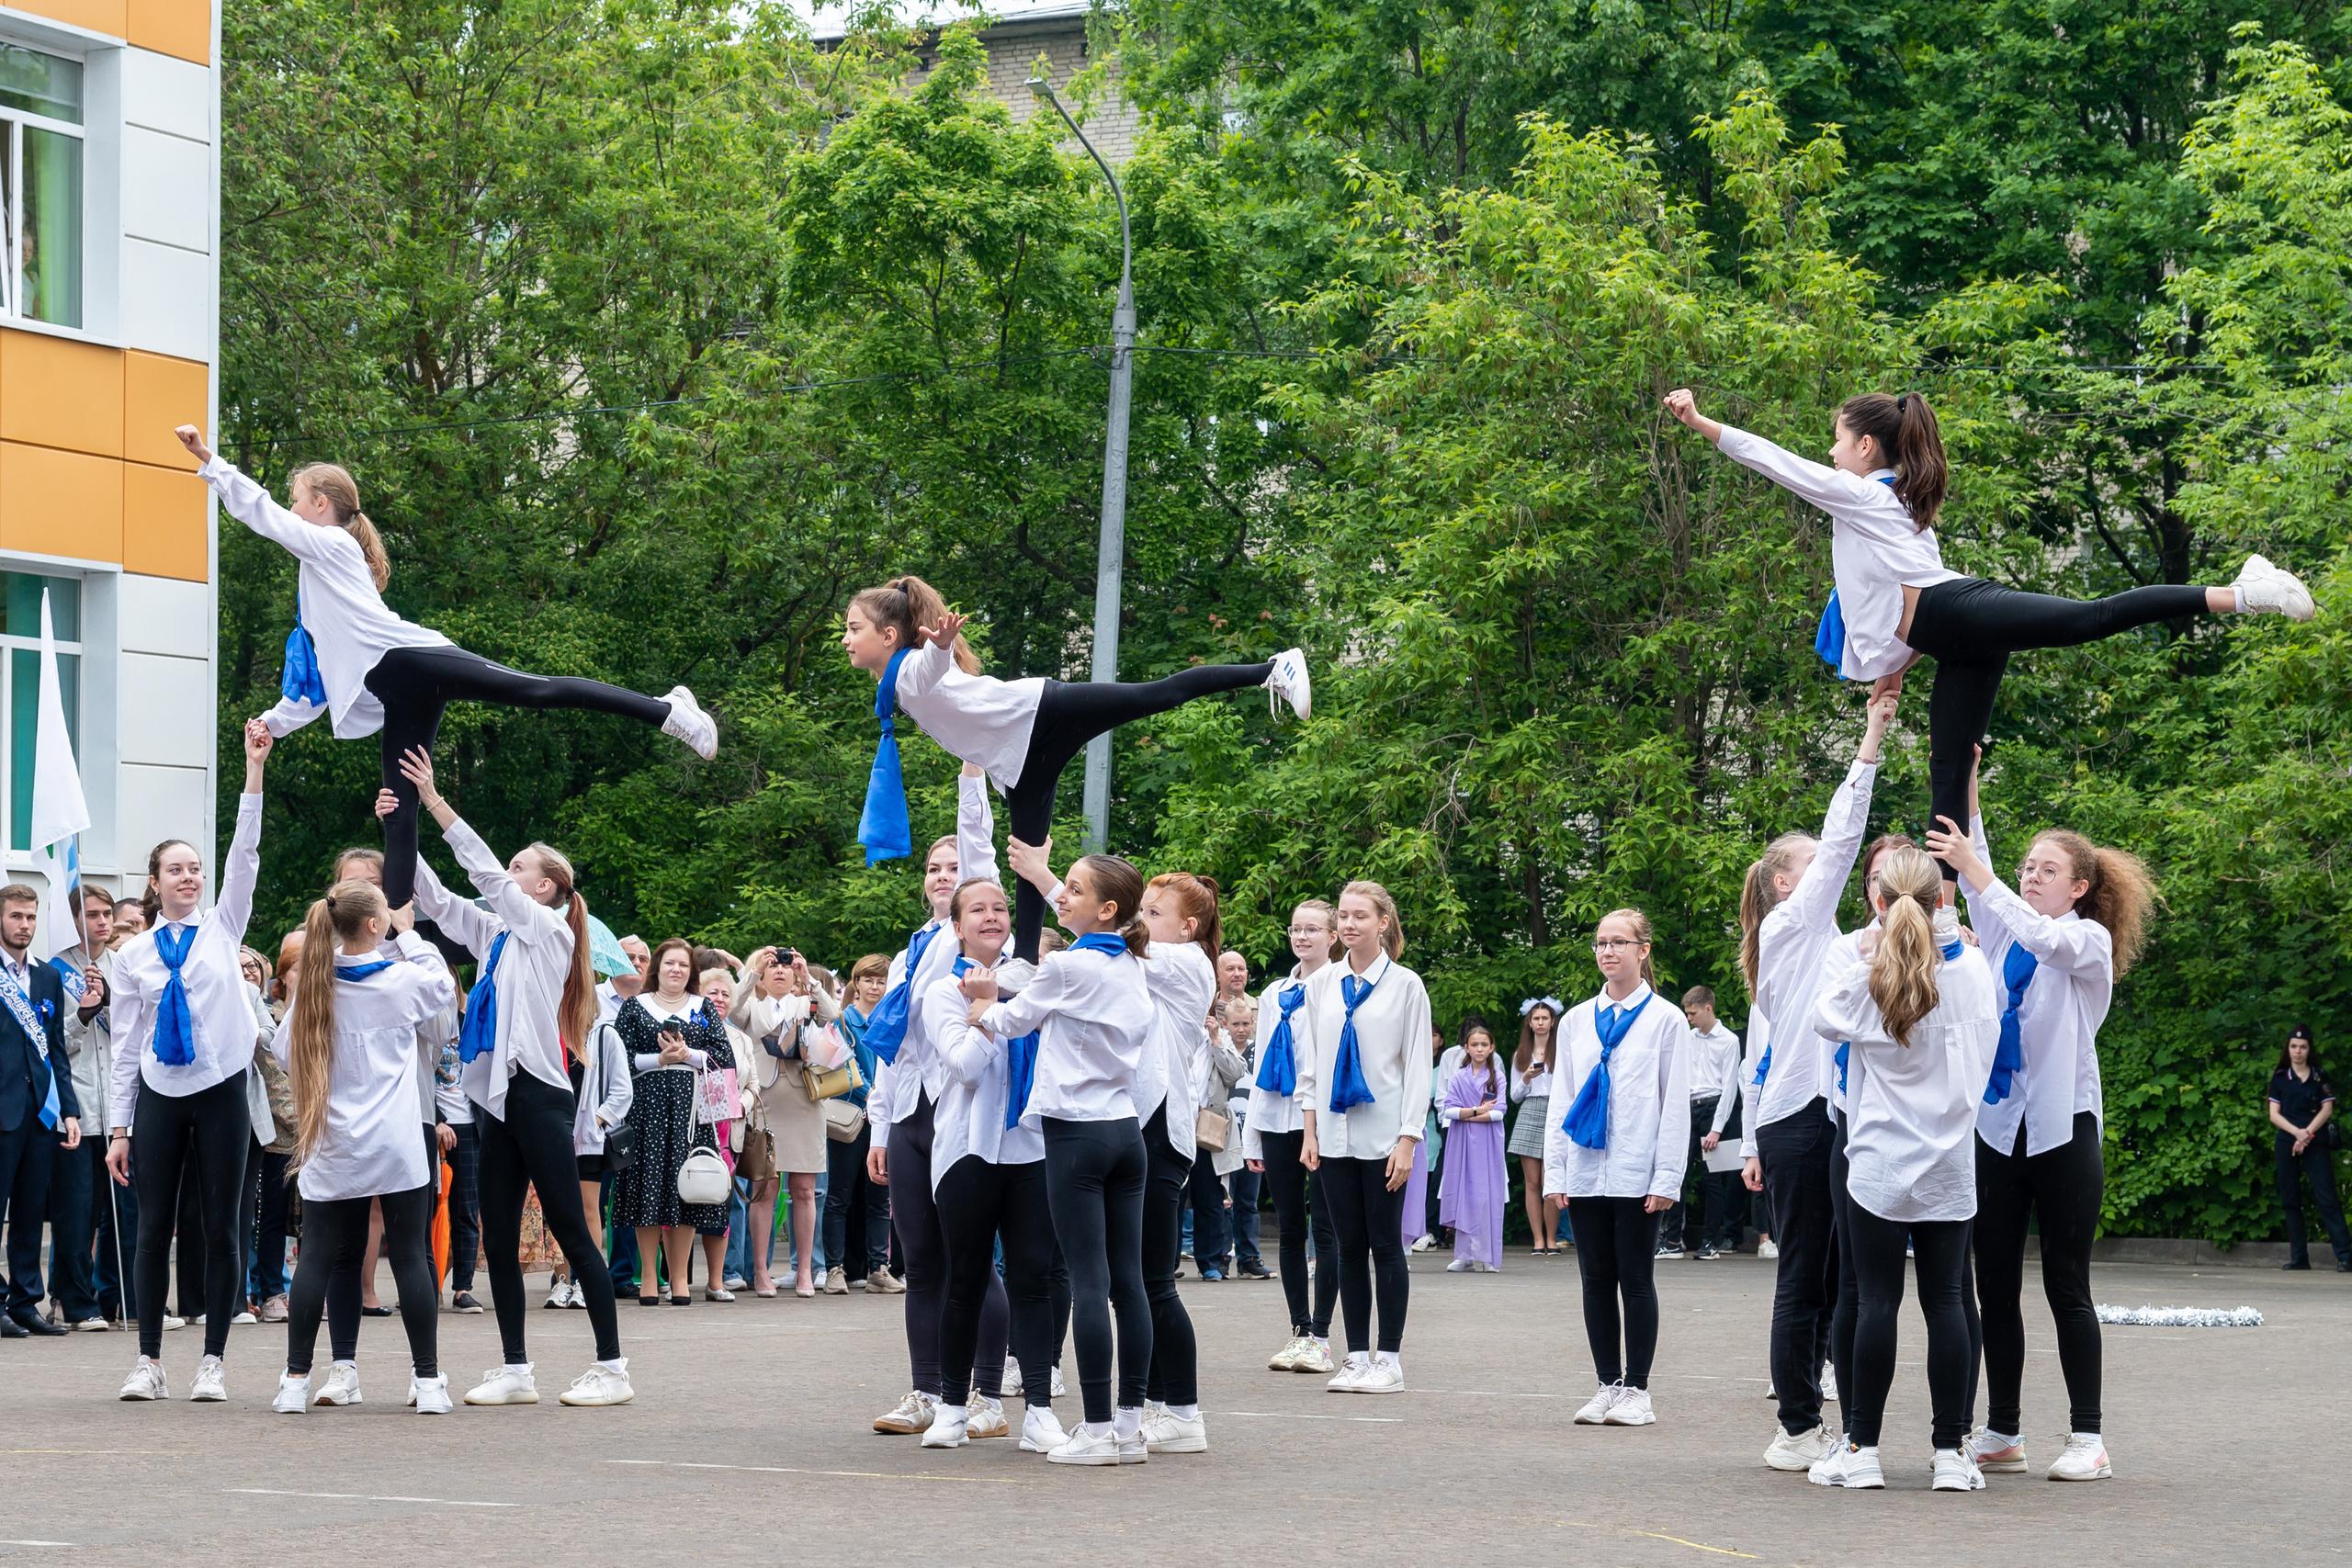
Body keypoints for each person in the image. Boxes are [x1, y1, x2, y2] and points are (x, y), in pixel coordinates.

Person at [1661, 388, 2312, 891]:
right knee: (1949, 768)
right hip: (1952, 636)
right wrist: (1895, 672)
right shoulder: (1899, 511)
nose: (1830, 453)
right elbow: (1900, 603)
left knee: (2087, 617)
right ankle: (1941, 912)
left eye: (1836, 441)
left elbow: (1774, 462)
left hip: (1959, 613)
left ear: (1864, 448)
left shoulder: (1860, 495)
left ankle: (2245, 592)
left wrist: (1699, 422)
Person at [175, 425, 716, 911]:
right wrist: (276, 722)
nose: (291, 512)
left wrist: (210, 461)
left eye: (298, 502)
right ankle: (387, 925)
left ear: (319, 504)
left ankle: (670, 712)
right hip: (397, 690)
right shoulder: (317, 582)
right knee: (399, 807)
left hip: (413, 661)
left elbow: (265, 517)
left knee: (537, 692)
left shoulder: (334, 544)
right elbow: (320, 681)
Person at [841, 575, 1309, 960]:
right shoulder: (896, 688)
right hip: (1021, 762)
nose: (845, 639)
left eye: (853, 628)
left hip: (1043, 714)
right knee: (1026, 859)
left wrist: (941, 646)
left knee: (1158, 694)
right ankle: (1024, 960)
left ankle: (1273, 669)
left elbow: (931, 667)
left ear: (888, 636)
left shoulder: (909, 671)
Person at [387, 748, 632, 1407]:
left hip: (539, 1095)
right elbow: (433, 898)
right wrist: (400, 823)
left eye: (522, 866)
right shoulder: (499, 933)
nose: (509, 872)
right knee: (496, 1233)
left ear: (546, 887)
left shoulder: (549, 930)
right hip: (494, 1096)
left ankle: (613, 1366)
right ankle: (517, 1368)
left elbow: (486, 876)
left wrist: (435, 801)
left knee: (572, 1231)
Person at [1929, 771, 2154, 1483]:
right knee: (1993, 1284)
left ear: (2079, 886)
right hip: (2000, 1130)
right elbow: (1982, 878)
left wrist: (1979, 871)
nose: (2029, 876)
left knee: (2066, 1284)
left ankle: (2088, 1435)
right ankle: (2003, 1428)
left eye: (2047, 868)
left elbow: (2021, 917)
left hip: (2064, 1132)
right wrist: (1966, 782)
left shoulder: (2083, 942)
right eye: (2026, 866)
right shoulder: (2005, 933)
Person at [1804, 845, 1998, 1491]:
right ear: (1945, 900)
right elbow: (1988, 1052)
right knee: (1947, 1300)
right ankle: (1950, 1451)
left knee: (1874, 1302)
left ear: (1879, 903)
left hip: (1879, 1159)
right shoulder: (1971, 970)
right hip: (1949, 1157)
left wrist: (1870, 950)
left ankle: (1861, 1447)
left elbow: (1821, 1017)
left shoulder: (1870, 974)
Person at [1740, 691, 1894, 1472]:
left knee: (1838, 1271)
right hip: (1799, 1117)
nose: (1827, 869)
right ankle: (1795, 1423)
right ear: (1781, 884)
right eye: (1811, 866)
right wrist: (1869, 739)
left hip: (1825, 1112)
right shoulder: (1790, 923)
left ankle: (1821, 1415)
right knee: (1804, 1270)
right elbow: (1842, 842)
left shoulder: (1826, 936)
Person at [964, 853, 1158, 1464]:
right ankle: (1127, 1425)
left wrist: (980, 1004)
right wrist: (1042, 872)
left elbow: (1013, 1018)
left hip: (1077, 1136)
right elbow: (1073, 928)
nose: (1061, 895)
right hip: (1125, 1132)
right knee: (1128, 1283)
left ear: (1105, 908)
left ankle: (1096, 1429)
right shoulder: (1131, 960)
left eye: (1074, 889)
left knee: (1092, 1282)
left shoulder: (1071, 965)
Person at [107, 721, 272, 1401]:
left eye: (195, 868)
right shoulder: (133, 956)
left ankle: (214, 1358)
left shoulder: (222, 926)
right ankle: (149, 1357)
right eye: (175, 869)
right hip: (160, 1091)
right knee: (153, 1227)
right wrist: (119, 1127)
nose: (189, 876)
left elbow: (246, 855)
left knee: (221, 1223)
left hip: (222, 1086)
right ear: (153, 883)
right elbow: (123, 1046)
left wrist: (253, 771)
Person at [269, 877, 458, 1415]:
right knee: (408, 1259)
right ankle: (428, 1382)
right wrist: (411, 931)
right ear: (374, 925)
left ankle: (295, 1382)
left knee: (322, 1259)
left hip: (333, 1141)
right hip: (395, 1143)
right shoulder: (399, 980)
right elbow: (443, 986)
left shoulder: (314, 988)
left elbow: (285, 1053)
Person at [866, 765, 1012, 1438]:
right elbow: (889, 1048)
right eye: (933, 865)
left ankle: (986, 1393)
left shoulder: (986, 948)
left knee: (971, 1258)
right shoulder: (909, 953)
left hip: (963, 1109)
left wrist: (972, 775)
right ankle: (926, 1387)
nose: (943, 872)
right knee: (920, 1258)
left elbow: (979, 846)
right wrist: (878, 1125)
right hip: (909, 1114)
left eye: (954, 864)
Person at [1546, 908, 1688, 1427]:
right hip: (1586, 1167)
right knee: (1595, 1279)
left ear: (1642, 951)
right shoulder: (1578, 1020)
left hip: (1636, 1169)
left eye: (1619, 943)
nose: (1608, 952)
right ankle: (1607, 1383)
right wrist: (1558, 1174)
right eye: (1601, 943)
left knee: (1636, 1277)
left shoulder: (1667, 1019)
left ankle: (1638, 1390)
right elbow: (1562, 1099)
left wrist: (1666, 1176)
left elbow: (1673, 1104)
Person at [916, 878, 1041, 1451]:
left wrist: (993, 1006)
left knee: (1034, 1283)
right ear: (957, 923)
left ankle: (1038, 1409)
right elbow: (965, 1067)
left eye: (1000, 907)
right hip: (966, 1149)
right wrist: (989, 1010)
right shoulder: (942, 991)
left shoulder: (1037, 979)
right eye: (978, 910)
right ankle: (949, 1407)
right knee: (964, 1280)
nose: (992, 917)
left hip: (1032, 1147)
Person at [1296, 881, 1432, 1395]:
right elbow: (1311, 1065)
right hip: (1331, 1134)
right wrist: (1309, 1131)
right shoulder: (1321, 986)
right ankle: (1355, 1356)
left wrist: (1407, 1139)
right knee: (1346, 1246)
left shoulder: (1405, 985)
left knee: (1384, 1244)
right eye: (1345, 917)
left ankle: (1389, 1358)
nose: (1350, 925)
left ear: (1383, 923)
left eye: (1361, 916)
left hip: (1383, 1136)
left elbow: (1417, 1068)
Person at [1245, 900, 1342, 1374]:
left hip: (1320, 1121)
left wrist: (1318, 1124)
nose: (1302, 937)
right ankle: (1299, 1329)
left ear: (1332, 936)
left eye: (1312, 929)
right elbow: (1261, 1064)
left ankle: (1322, 1335)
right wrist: (1251, 1137)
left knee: (1325, 1227)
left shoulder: (1341, 988)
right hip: (1277, 1119)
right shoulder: (1275, 993)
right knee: (1288, 1228)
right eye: (1296, 929)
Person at [610, 939, 732, 1304]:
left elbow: (723, 1056)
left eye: (683, 964)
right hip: (646, 1109)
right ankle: (648, 1274)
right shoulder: (635, 1007)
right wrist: (659, 1060)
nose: (676, 970)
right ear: (657, 969)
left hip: (692, 1112)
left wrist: (688, 1055)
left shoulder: (703, 1007)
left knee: (688, 1189)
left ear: (691, 972)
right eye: (669, 964)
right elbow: (620, 1057)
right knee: (646, 1188)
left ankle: (679, 1276)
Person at [731, 948, 839, 1298]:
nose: (779, 971)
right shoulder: (753, 1005)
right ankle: (761, 1271)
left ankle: (804, 1269)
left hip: (804, 1100)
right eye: (772, 966)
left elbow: (833, 1014)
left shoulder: (802, 1002)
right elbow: (731, 1009)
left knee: (805, 1190)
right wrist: (750, 973)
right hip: (764, 1102)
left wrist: (808, 977)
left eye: (785, 967)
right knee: (765, 1190)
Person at [0, 881, 82, 1337]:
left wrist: (69, 1110)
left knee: (32, 1211)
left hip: (39, 1112)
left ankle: (25, 1301)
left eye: (30, 917)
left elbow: (55, 1050)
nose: (24, 925)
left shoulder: (47, 976)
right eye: (15, 916)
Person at [51, 885, 116, 1334]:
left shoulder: (126, 965)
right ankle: (75, 1301)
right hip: (75, 1107)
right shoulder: (54, 971)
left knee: (123, 1214)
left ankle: (119, 1295)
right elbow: (55, 1043)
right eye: (92, 914)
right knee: (77, 1211)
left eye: (107, 913)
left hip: (121, 1111)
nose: (102, 922)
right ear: (74, 919)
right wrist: (84, 1014)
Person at [561, 971, 635, 1314]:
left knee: (589, 1210)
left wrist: (596, 1120)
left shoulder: (605, 1035)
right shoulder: (548, 1034)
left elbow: (622, 1091)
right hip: (552, 1132)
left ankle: (588, 1281)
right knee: (558, 1212)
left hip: (587, 1138)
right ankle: (564, 1282)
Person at [821, 954, 891, 1295]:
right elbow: (841, 1065)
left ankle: (879, 1267)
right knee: (839, 1195)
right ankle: (834, 1268)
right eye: (869, 980)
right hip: (851, 1115)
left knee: (880, 1195)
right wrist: (873, 1093)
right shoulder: (841, 1021)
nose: (875, 987)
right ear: (856, 983)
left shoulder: (891, 1017)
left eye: (881, 981)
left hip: (883, 1117)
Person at [1665, 987, 1742, 1261]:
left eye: (1693, 1013)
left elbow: (1729, 1087)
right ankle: (1672, 1239)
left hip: (1713, 1108)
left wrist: (1717, 1128)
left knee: (1712, 1180)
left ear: (1708, 1008)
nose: (1689, 1018)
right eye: (1687, 1013)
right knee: (1677, 1173)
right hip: (1688, 1107)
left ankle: (1710, 1241)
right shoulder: (1688, 1038)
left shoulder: (1729, 1041)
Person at [2267, 1028, 2349, 1271]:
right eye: (2294, 1046)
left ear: (2309, 1049)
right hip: (2287, 1142)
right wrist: (2297, 1133)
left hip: (2315, 1142)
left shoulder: (2319, 1076)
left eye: (2303, 1047)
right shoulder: (2280, 1077)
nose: (2298, 1052)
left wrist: (2307, 1135)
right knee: (2290, 1201)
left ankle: (2346, 1256)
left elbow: (2327, 1110)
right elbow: (2274, 1114)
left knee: (2327, 1198)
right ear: (2288, 1049)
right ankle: (2299, 1258)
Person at [1438, 1020, 1507, 1272]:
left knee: (1488, 1196)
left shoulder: (1497, 1076)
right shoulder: (1458, 1077)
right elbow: (1449, 1110)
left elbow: (1499, 1113)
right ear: (1466, 1047)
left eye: (1484, 1045)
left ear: (1492, 1048)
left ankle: (1489, 1257)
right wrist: (1477, 1110)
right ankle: (1464, 1255)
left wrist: (1468, 1115)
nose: (1479, 1049)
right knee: (1464, 1193)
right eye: (1474, 1044)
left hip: (1488, 1143)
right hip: (1462, 1142)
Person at [1509, 998, 1565, 1255]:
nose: (1540, 1023)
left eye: (1545, 1018)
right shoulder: (1520, 1055)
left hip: (1556, 1112)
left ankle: (1552, 1239)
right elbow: (1514, 1096)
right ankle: (1538, 1240)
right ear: (1529, 1023)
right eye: (1536, 1019)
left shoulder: (1563, 1051)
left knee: (1550, 1178)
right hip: (1530, 1110)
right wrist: (1526, 1078)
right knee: (1532, 1182)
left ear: (1553, 1022)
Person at [1216, 998, 1267, 1279]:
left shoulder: (1260, 1052)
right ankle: (1221, 1255)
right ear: (1226, 1024)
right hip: (1223, 1134)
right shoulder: (1219, 1047)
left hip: (1250, 1134)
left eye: (1246, 1023)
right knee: (1223, 1200)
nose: (1241, 1029)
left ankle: (1249, 1257)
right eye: (1236, 1024)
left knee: (1248, 1200)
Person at [596, 936, 650, 1025]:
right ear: (613, 962)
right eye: (629, 958)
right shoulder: (591, 997)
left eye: (642, 959)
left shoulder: (654, 1001)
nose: (636, 963)